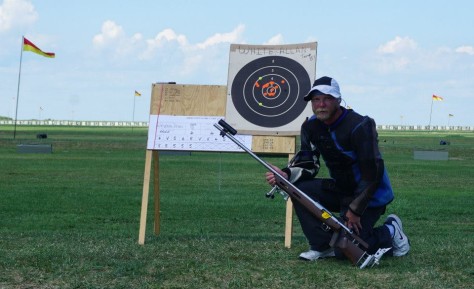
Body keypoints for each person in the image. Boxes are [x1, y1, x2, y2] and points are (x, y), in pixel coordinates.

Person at [265, 76, 410, 261]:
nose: (321, 104)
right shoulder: (310, 126)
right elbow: (309, 162)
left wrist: (355, 210)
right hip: (341, 189)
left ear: (338, 100)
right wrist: (285, 174)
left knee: (346, 250)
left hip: (371, 196)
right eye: (316, 99)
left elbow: (373, 172)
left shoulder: (360, 125)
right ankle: (321, 245)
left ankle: (391, 231)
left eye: (327, 98)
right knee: (299, 190)